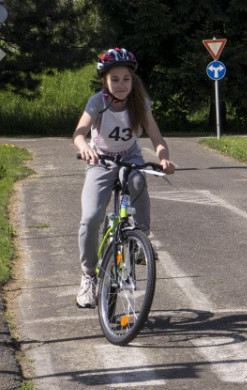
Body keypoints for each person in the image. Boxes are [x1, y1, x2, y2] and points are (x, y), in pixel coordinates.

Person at [72, 47, 175, 308]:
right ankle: (88, 276)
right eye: (114, 79)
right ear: (105, 81)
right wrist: (84, 147)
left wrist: (164, 158)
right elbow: (79, 132)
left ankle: (141, 238)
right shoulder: (98, 102)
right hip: (101, 161)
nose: (121, 85)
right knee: (90, 218)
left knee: (138, 182)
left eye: (126, 79)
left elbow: (157, 138)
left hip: (130, 159)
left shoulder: (140, 103)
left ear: (133, 80)